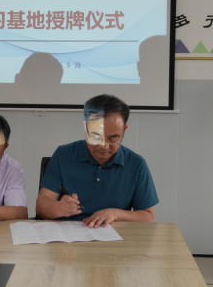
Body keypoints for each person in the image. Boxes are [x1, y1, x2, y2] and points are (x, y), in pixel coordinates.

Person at [35, 94, 158, 228]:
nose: (104, 146)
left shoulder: (136, 164)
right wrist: (58, 208)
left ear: (124, 130)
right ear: (85, 127)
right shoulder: (63, 155)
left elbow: (148, 216)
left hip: (114, 234)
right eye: (96, 137)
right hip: (68, 236)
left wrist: (116, 214)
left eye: (113, 138)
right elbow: (41, 206)